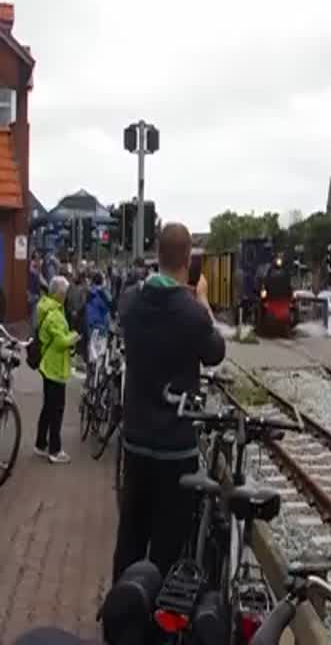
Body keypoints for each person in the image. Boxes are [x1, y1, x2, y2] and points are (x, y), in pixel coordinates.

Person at [113, 223, 225, 584]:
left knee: (130, 533)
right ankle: (158, 626)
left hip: (135, 439)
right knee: (168, 542)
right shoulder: (191, 312)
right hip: (176, 447)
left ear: (157, 254)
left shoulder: (131, 300)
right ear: (188, 260)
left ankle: (121, 617)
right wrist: (204, 302)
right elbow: (214, 353)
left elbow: (129, 309)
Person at [35, 276, 79, 464]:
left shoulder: (50, 309)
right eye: (65, 292)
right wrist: (75, 336)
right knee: (56, 410)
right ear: (59, 293)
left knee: (48, 407)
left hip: (50, 366)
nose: (66, 295)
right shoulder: (54, 314)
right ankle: (55, 449)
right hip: (55, 367)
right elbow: (61, 341)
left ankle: (40, 443)